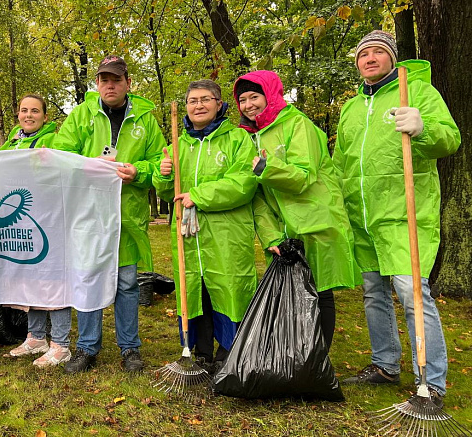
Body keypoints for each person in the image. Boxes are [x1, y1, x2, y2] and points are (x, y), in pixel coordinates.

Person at [333, 30, 460, 407]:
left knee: (412, 293)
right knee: (374, 292)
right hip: (363, 216)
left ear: (392, 58)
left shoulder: (417, 93)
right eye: (363, 54)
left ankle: (431, 381)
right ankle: (385, 365)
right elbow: (342, 160)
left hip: (406, 212)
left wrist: (423, 129)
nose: (369, 58)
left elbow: (449, 138)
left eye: (377, 52)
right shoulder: (351, 108)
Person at [53, 55, 166, 373]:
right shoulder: (82, 114)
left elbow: (159, 164)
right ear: (97, 84)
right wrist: (90, 167)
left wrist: (138, 172)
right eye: (104, 79)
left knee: (127, 282)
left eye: (116, 79)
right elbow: (63, 153)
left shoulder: (145, 120)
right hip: (88, 216)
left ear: (128, 83)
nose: (110, 84)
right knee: (89, 278)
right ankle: (87, 348)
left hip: (127, 216)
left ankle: (130, 349)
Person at [233, 70, 360, 351]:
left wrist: (266, 168)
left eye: (255, 96)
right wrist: (270, 237)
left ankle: (318, 359)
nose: (248, 105)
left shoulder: (297, 124)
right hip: (284, 229)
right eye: (242, 100)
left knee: (319, 291)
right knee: (291, 294)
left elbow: (304, 175)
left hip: (316, 221)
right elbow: (258, 198)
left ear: (271, 95)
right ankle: (296, 355)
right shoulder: (249, 137)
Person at [153, 80, 257, 372]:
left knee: (226, 288)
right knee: (195, 290)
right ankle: (200, 352)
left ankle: (230, 351)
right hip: (188, 236)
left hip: (225, 233)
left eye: (205, 99)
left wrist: (198, 196)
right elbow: (166, 192)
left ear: (219, 104)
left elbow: (243, 183)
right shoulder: (177, 143)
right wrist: (162, 176)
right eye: (192, 101)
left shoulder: (237, 139)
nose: (198, 106)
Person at [3, 95, 70, 367]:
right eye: (23, 110)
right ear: (18, 115)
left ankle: (62, 343)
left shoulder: (54, 141)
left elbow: (67, 170)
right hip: (21, 222)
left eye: (35, 111)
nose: (28, 115)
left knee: (54, 278)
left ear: (44, 116)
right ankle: (36, 337)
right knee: (29, 275)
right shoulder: (9, 144)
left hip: (50, 219)